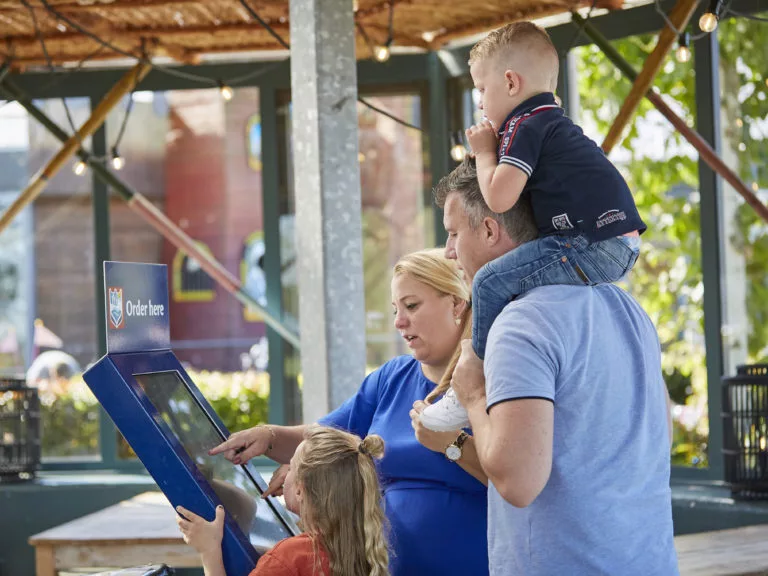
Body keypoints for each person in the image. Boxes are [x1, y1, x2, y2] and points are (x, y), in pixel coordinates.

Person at [435, 156, 678, 575]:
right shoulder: (624, 305)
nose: (448, 252)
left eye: (454, 233)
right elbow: (661, 436)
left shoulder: (519, 323)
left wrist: (473, 394)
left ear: (490, 229)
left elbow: (518, 482)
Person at [419, 21, 646, 432]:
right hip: (612, 240)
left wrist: (485, 152)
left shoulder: (526, 126)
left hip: (592, 243)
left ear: (510, 82)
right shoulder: (549, 121)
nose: (480, 104)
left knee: (489, 282)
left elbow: (500, 198)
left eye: (481, 91)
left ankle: (470, 383)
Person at [209, 249, 490, 576]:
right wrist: (270, 437)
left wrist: (450, 443)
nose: (399, 322)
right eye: (396, 309)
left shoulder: (492, 380)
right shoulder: (391, 378)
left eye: (412, 306)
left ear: (457, 303)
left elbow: (515, 478)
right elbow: (322, 438)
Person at [177, 425, 389, 576]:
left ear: (300, 490)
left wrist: (209, 550)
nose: (284, 473)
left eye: (291, 467)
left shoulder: (290, 558)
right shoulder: (359, 545)